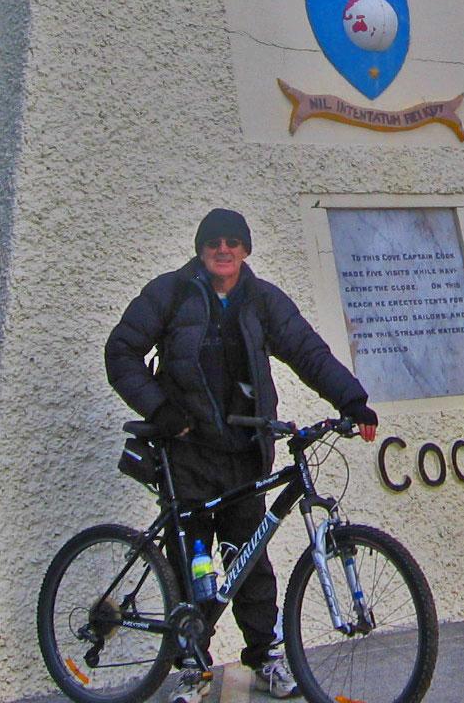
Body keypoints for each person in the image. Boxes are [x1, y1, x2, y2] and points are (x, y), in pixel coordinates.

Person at [106, 208, 379, 700]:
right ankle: (192, 664)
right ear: (200, 248)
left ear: (246, 249)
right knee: (193, 561)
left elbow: (307, 351)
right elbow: (120, 351)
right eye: (214, 242)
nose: (224, 249)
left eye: (233, 241)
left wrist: (351, 399)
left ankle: (264, 657)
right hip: (186, 452)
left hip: (244, 452)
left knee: (251, 562)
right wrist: (160, 408)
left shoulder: (262, 300)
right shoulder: (169, 293)